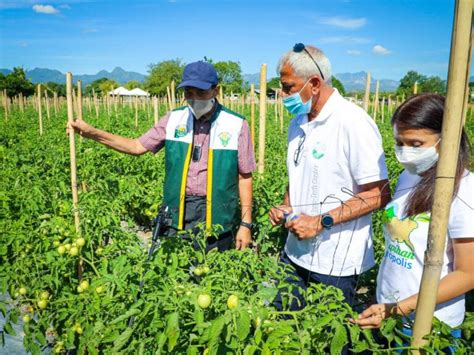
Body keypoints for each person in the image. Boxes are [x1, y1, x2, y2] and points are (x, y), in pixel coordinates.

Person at [69, 61, 256, 252]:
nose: (194, 99)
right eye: (188, 93)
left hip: (217, 212)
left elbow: (245, 176)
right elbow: (136, 146)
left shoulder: (235, 124)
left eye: (201, 93)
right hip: (177, 209)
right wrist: (93, 133)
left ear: (216, 90)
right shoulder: (174, 119)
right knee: (174, 273)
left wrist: (245, 225)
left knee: (213, 273)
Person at [269, 43, 390, 308]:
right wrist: (286, 205)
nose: (282, 94)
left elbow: (379, 193)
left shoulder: (352, 122)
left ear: (313, 83)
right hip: (294, 253)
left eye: (288, 87)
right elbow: (298, 173)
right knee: (284, 331)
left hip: (336, 263)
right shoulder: (298, 122)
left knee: (330, 340)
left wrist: (320, 221)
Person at [353, 94, 473, 346]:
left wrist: (399, 308)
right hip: (390, 310)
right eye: (399, 143)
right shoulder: (410, 176)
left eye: (416, 144)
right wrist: (388, 307)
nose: (405, 153)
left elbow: (468, 273)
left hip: (430, 326)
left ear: (447, 139)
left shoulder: (465, 190)